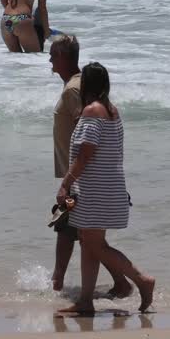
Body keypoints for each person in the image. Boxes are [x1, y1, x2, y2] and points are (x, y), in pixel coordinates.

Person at [57, 62, 155, 315]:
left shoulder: (92, 112)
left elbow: (85, 155)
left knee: (95, 246)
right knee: (90, 244)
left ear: (86, 86)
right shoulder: (113, 111)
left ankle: (141, 279)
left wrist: (65, 183)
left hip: (93, 190)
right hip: (110, 188)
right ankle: (86, 302)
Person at [49, 35, 132, 299]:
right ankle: (118, 283)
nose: (49, 59)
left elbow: (89, 139)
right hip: (81, 179)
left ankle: (58, 285)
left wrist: (70, 182)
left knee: (73, 232)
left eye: (53, 54)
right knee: (84, 237)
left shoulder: (75, 91)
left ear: (63, 57)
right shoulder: (75, 87)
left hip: (83, 181)